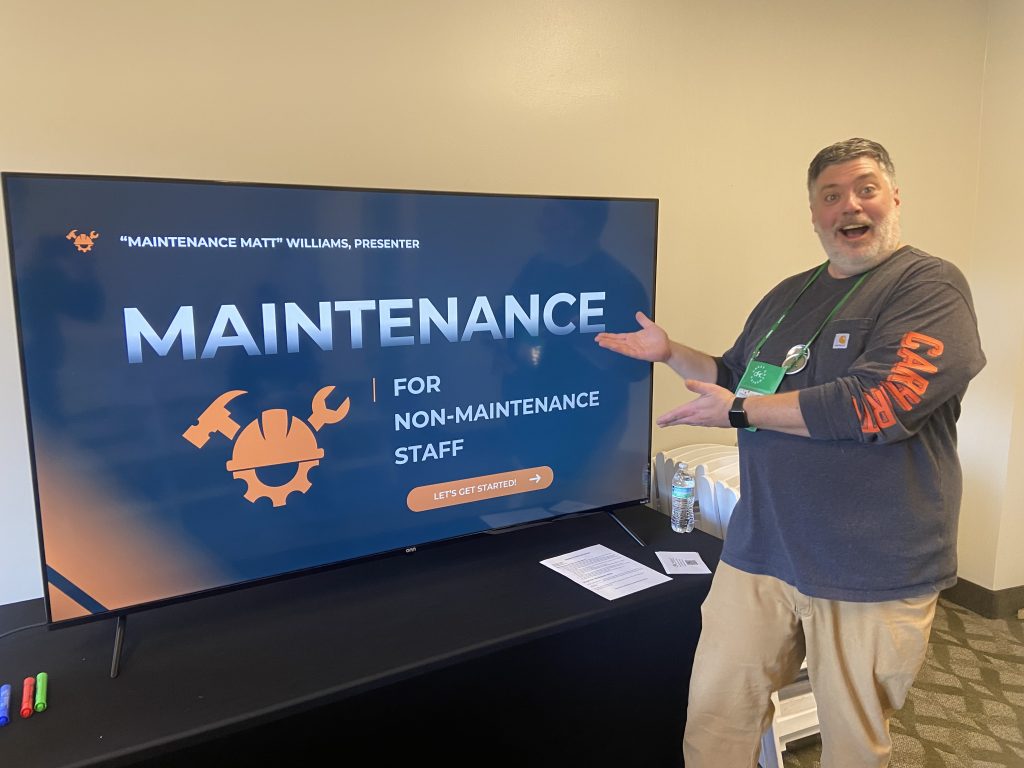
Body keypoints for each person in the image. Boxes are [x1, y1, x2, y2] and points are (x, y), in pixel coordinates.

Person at [595, 138, 986, 767]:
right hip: (762, 549)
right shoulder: (789, 296)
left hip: (872, 567)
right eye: (830, 196)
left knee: (853, 744)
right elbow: (736, 376)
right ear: (813, 213)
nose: (849, 207)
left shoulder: (928, 285)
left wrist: (739, 410)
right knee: (716, 720)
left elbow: (874, 403)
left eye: (865, 189)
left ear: (893, 198)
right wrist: (671, 353)